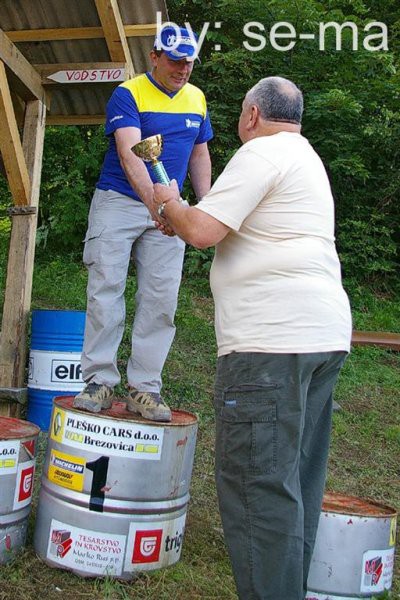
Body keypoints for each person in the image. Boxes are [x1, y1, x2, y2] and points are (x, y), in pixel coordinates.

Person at [153, 76, 352, 599]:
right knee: (294, 484)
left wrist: (166, 200)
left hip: (269, 343)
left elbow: (199, 231)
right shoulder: (304, 158)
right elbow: (215, 222)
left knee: (257, 487)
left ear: (251, 116)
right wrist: (184, 215)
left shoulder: (260, 154)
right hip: (320, 336)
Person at [73, 26, 213, 422]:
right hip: (119, 201)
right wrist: (157, 206)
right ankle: (99, 381)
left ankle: (144, 388)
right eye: (175, 60)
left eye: (189, 62)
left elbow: (200, 154)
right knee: (106, 288)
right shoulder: (129, 92)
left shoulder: (197, 98)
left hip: (172, 207)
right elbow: (130, 153)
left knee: (161, 299)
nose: (183, 69)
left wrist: (206, 205)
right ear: (154, 56)